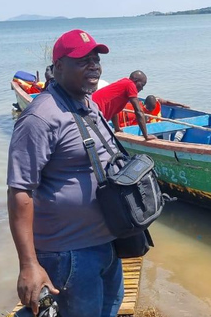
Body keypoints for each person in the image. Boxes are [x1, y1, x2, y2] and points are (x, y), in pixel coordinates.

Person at [7, 29, 124, 317]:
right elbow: (19, 191)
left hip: (107, 244)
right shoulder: (40, 117)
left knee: (109, 309)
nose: (94, 65)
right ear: (58, 66)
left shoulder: (88, 104)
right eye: (83, 60)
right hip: (68, 253)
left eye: (96, 59)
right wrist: (29, 265)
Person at [91, 71, 152, 139]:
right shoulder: (130, 85)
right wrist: (146, 136)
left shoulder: (124, 82)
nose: (142, 89)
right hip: (94, 113)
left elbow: (114, 111)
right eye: (142, 85)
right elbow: (138, 111)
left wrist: (117, 129)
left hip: (91, 109)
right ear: (136, 81)